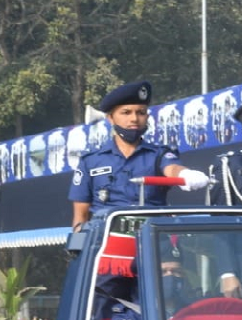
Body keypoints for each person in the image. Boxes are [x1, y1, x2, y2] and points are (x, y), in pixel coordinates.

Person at [69, 81, 209, 228]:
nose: (134, 119)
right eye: (126, 112)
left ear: (147, 117)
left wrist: (185, 174)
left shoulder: (159, 155)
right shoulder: (90, 162)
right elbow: (81, 217)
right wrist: (79, 248)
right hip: (106, 242)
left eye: (141, 112)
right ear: (110, 118)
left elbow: (172, 168)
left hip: (152, 241)